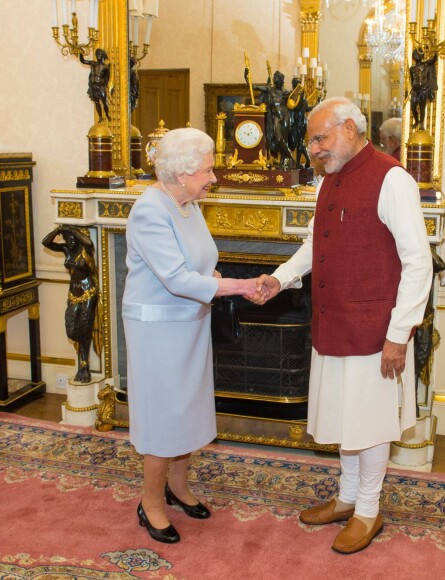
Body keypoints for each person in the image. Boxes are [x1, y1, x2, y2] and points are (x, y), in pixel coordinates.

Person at [253, 97, 432, 554]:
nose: (314, 148)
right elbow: (316, 243)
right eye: (312, 140)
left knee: (369, 424)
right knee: (345, 418)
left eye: (320, 138)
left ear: (349, 129)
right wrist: (280, 277)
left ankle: (368, 511)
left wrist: (399, 334)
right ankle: (347, 497)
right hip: (333, 325)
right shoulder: (327, 180)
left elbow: (418, 263)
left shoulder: (392, 178)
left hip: (376, 332)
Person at [122, 127, 263, 544]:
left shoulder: (188, 204)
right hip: (158, 329)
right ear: (182, 174)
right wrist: (238, 286)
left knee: (187, 408)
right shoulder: (150, 210)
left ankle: (178, 487)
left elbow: (200, 264)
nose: (213, 177)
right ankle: (150, 503)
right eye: (207, 170)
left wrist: (217, 278)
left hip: (191, 322)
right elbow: (176, 278)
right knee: (163, 416)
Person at [42, 225, 102, 384]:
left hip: (88, 292)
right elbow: (46, 243)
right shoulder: (66, 250)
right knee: (73, 331)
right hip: (73, 294)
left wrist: (73, 231)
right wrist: (58, 230)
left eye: (72, 239)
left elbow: (89, 243)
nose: (70, 242)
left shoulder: (85, 251)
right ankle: (83, 364)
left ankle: (85, 366)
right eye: (67, 239)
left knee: (85, 328)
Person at [245, 68, 295, 169]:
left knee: (284, 139)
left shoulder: (286, 93)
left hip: (285, 116)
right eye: (274, 78)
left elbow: (294, 103)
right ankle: (291, 157)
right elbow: (253, 86)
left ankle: (282, 163)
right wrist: (246, 77)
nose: (275, 80)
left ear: (281, 81)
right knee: (278, 138)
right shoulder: (269, 89)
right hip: (275, 116)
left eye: (277, 78)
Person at [287, 77, 315, 168]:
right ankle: (303, 160)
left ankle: (299, 162)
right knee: (299, 142)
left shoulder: (301, 96)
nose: (299, 86)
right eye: (297, 84)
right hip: (295, 122)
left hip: (301, 122)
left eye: (299, 84)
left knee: (300, 142)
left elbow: (307, 108)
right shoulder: (291, 96)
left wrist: (317, 102)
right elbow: (292, 107)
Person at [79, 48, 112, 123]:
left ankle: (107, 114)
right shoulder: (93, 64)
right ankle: (100, 117)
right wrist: (80, 53)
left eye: (99, 54)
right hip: (94, 86)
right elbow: (83, 61)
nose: (97, 56)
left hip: (101, 86)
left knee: (104, 102)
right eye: (96, 54)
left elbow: (107, 78)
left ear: (102, 56)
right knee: (96, 102)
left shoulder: (106, 67)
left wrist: (105, 85)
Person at [409, 48, 438, 130]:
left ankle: (421, 123)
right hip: (415, 90)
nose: (416, 56)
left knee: (422, 107)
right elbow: (412, 80)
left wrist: (434, 48)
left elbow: (434, 59)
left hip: (423, 90)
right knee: (413, 106)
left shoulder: (426, 64)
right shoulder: (412, 68)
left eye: (417, 55)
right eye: (415, 55)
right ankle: (417, 121)